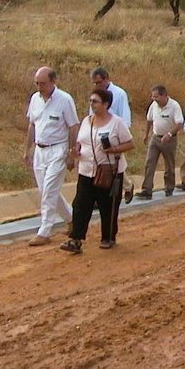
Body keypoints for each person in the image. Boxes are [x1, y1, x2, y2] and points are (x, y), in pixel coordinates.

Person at [60, 88, 135, 253]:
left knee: (107, 206)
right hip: (86, 170)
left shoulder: (117, 123)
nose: (92, 104)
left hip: (109, 172)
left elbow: (130, 144)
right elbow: (80, 141)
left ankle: (108, 237)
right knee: (80, 204)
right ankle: (76, 239)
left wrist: (113, 150)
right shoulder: (87, 121)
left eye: (95, 101)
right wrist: (76, 151)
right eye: (91, 101)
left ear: (106, 104)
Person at [23, 66, 78, 247]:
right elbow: (32, 124)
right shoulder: (35, 99)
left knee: (49, 190)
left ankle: (45, 230)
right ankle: (71, 219)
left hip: (58, 149)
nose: (40, 87)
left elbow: (72, 127)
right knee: (47, 190)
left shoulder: (65, 100)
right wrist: (27, 150)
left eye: (43, 84)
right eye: (37, 83)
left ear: (53, 81)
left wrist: (71, 153)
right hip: (40, 150)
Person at [90, 67, 134, 203]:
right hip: (98, 133)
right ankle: (125, 186)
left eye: (99, 82)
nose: (98, 85)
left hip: (114, 133)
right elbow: (91, 114)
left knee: (114, 164)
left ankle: (123, 188)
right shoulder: (96, 95)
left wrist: (122, 136)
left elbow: (125, 116)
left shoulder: (119, 94)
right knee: (101, 163)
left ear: (106, 78)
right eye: (95, 83)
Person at [139, 85, 183, 199]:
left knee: (169, 164)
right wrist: (146, 135)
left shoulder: (174, 106)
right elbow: (149, 120)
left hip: (169, 139)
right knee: (149, 162)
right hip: (155, 137)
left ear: (164, 95)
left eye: (156, 97)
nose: (154, 99)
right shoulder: (154, 105)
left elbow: (179, 123)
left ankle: (169, 188)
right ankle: (147, 189)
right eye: (153, 97)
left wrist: (169, 134)